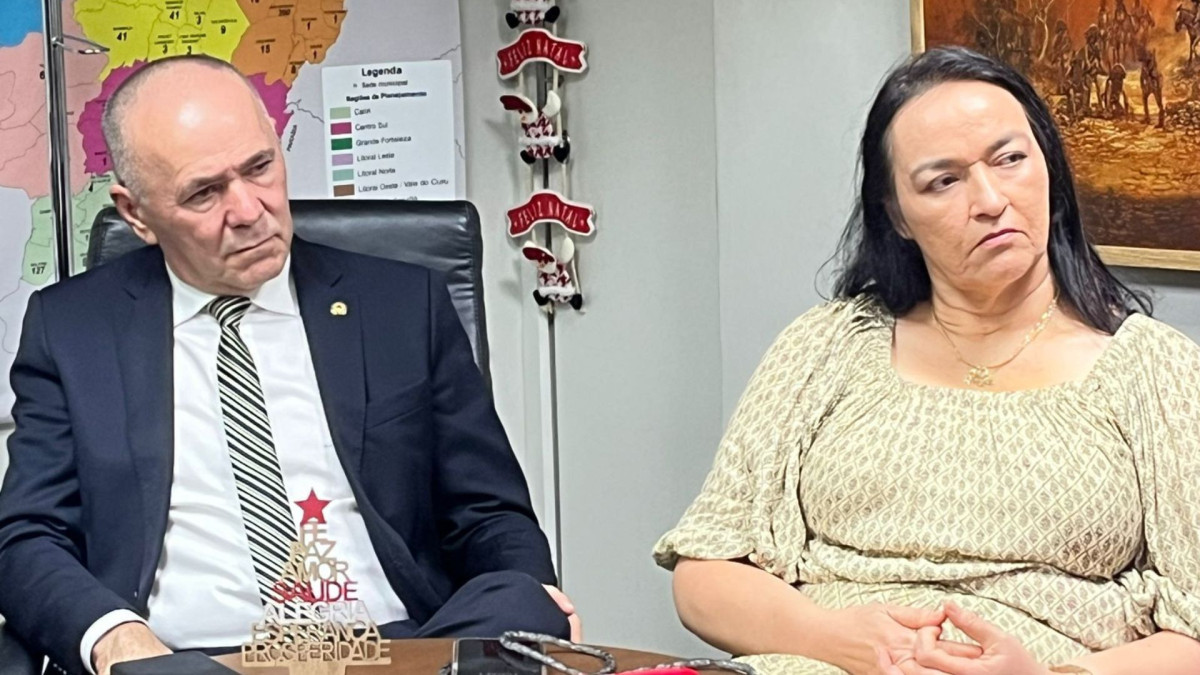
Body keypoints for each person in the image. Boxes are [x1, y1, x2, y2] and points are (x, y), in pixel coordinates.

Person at [0, 55, 578, 675]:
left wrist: (527, 600)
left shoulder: (400, 305)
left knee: (518, 602)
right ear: (136, 213)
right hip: (190, 657)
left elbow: (487, 511)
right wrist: (119, 642)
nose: (249, 210)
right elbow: (28, 538)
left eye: (259, 167)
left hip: (396, 650)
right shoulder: (73, 329)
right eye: (204, 192)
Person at [653, 46, 1200, 675]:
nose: (990, 199)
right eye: (944, 180)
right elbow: (707, 571)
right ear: (898, 216)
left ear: (1049, 167)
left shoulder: (1154, 371)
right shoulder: (827, 346)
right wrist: (832, 638)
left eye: (1010, 159)